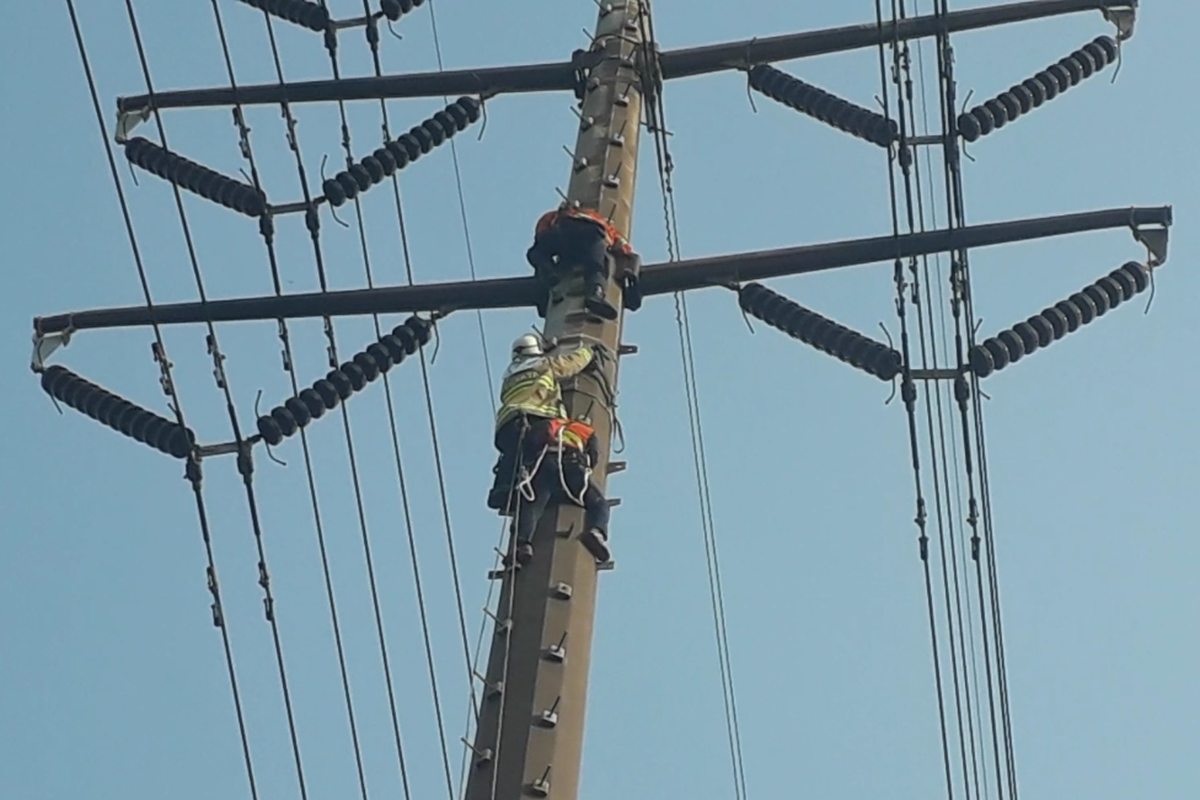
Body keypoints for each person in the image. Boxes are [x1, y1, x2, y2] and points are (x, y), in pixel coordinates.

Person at [487, 333, 595, 516]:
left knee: (512, 456)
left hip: (506, 424)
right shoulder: (544, 365)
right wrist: (589, 351)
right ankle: (521, 485)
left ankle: (504, 490)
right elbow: (570, 364)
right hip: (534, 417)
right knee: (533, 457)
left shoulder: (509, 376)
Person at [508, 415, 612, 566]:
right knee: (599, 503)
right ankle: (596, 532)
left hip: (547, 465)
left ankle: (523, 544)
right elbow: (593, 456)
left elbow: (532, 442)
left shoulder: (552, 423)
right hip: (574, 467)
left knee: (533, 505)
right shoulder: (586, 431)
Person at [526, 203, 633, 321]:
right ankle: (595, 292)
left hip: (565, 236)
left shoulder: (552, 216)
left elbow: (541, 236)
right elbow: (623, 248)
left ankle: (549, 273)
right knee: (596, 264)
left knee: (537, 252)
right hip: (591, 236)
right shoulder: (598, 220)